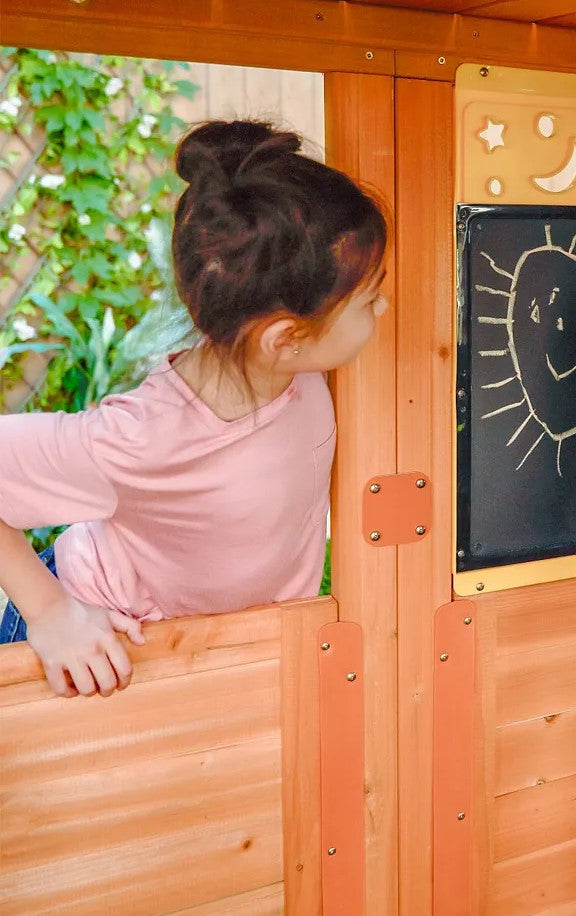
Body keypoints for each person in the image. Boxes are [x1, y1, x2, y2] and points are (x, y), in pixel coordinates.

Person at [0, 120, 388, 700]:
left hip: (215, 649)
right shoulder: (145, 436)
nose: (386, 307)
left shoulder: (296, 370)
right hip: (102, 648)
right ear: (285, 337)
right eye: (371, 297)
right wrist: (52, 614)